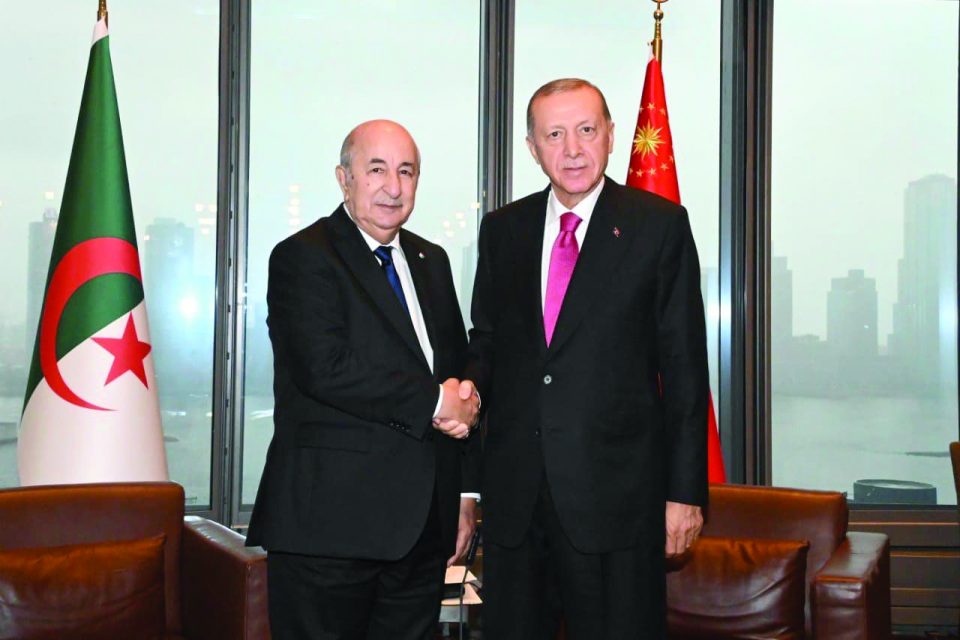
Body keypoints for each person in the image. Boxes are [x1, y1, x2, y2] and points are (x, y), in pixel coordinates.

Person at [462, 78, 708, 639]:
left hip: (618, 504)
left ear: (611, 136)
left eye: (586, 130)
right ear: (532, 147)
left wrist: (685, 494)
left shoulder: (658, 226)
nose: (572, 149)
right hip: (517, 504)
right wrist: (467, 396)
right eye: (554, 135)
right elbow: (487, 344)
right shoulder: (503, 230)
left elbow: (685, 372)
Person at [246, 119, 480, 640]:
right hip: (330, 531)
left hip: (422, 534)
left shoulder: (432, 261)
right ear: (344, 178)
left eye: (406, 171)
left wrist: (466, 491)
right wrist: (435, 403)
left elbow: (455, 372)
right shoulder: (303, 256)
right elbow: (324, 368)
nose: (393, 187)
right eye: (376, 170)